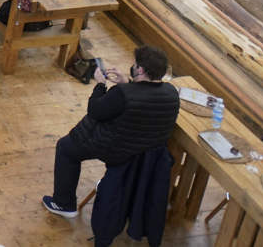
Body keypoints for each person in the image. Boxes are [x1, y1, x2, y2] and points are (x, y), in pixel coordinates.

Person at [42, 45, 180, 219]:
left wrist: (100, 85)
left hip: (116, 149)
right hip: (145, 153)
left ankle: (64, 203)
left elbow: (95, 111)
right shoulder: (171, 93)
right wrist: (129, 84)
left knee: (65, 147)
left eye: (136, 65)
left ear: (141, 70)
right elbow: (143, 98)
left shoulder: (122, 93)